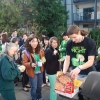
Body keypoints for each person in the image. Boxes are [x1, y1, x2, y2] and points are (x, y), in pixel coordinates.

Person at [22, 35, 45, 100]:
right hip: (32, 72)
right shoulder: (26, 52)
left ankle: (39, 97)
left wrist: (42, 60)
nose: (35, 43)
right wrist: (31, 64)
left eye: (36, 41)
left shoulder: (40, 49)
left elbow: (43, 57)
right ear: (29, 42)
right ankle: (34, 98)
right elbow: (24, 63)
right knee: (34, 87)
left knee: (39, 87)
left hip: (40, 70)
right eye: (33, 41)